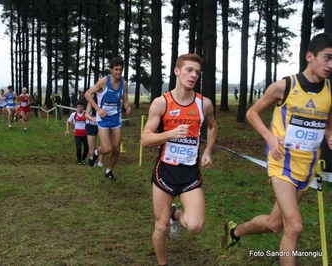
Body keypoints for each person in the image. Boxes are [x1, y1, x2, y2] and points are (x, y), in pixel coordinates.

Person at [221, 33, 332, 266]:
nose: (331, 65)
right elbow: (252, 113)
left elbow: (327, 124)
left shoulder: (330, 90)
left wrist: (330, 136)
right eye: (327, 58)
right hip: (282, 162)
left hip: (308, 167)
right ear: (310, 57)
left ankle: (235, 232)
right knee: (295, 226)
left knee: (275, 224)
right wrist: (270, 137)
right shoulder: (285, 86)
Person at [140, 53, 218, 266]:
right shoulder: (161, 103)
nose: (193, 76)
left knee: (195, 226)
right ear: (177, 71)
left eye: (197, 73)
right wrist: (170, 134)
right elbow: (145, 139)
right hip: (165, 170)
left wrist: (208, 152)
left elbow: (212, 127)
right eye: (189, 70)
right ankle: (162, 263)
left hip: (190, 173)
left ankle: (175, 213)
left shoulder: (205, 104)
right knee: (161, 227)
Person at [84, 56, 132, 181]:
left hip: (115, 118)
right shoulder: (104, 81)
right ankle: (95, 153)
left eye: (121, 70)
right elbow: (87, 94)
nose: (118, 72)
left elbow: (125, 100)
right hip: (103, 119)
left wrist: (127, 107)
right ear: (111, 70)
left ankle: (109, 171)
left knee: (116, 149)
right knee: (106, 148)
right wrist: (98, 109)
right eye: (116, 69)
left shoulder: (124, 83)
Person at [65, 100, 89, 165]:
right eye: (78, 107)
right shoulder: (74, 114)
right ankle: (79, 161)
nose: (80, 108)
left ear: (84, 107)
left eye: (81, 107)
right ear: (76, 107)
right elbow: (68, 121)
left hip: (85, 134)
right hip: (77, 135)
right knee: (78, 149)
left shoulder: (86, 114)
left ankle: (83, 159)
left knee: (86, 149)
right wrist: (67, 130)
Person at [85, 95, 104, 167]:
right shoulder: (92, 100)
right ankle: (93, 160)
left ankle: (100, 162)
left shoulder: (106, 99)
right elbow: (86, 115)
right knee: (91, 149)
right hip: (91, 125)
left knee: (104, 145)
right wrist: (93, 119)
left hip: (102, 124)